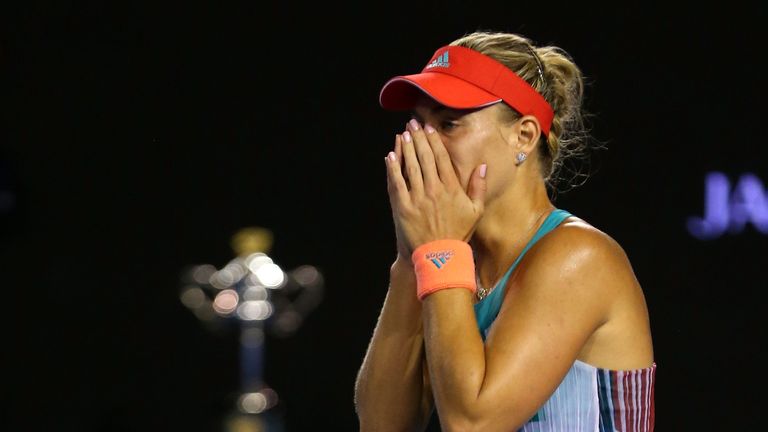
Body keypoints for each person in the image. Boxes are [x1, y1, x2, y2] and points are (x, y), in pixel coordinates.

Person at [353, 30, 656, 431]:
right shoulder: (454, 260)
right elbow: (381, 425)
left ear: (524, 135)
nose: (423, 145)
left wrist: (439, 249)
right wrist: (411, 260)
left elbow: (471, 424)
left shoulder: (579, 258)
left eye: (449, 124)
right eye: (419, 125)